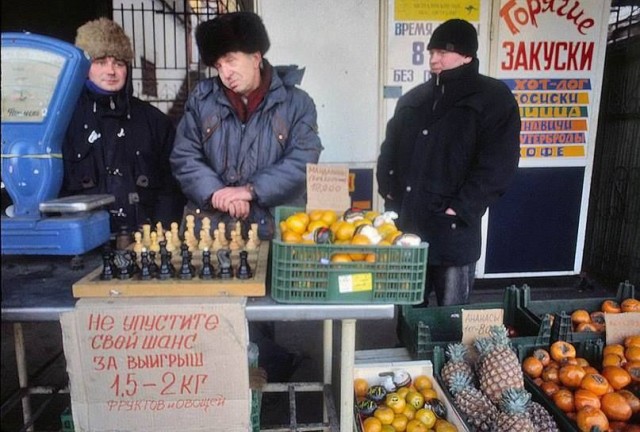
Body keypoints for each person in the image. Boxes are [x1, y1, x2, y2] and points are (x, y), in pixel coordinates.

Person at [170, 12, 323, 381]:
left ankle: (266, 381)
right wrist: (217, 193)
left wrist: (251, 191)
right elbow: (184, 155)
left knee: (262, 315)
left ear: (256, 56)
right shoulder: (201, 99)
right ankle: (223, 384)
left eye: (231, 60)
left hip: (268, 228)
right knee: (211, 320)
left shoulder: (297, 103)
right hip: (211, 229)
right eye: (218, 64)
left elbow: (303, 159)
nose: (225, 72)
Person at [376, 18, 521, 306]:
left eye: (442, 52)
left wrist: (460, 208)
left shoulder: (493, 99)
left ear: (467, 55)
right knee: (407, 312)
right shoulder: (415, 99)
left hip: (454, 232)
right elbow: (389, 150)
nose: (434, 59)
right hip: (409, 230)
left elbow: (498, 164)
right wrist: (389, 191)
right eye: (432, 52)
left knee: (451, 317)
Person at [61, 18, 185, 235]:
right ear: (84, 67)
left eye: (119, 63)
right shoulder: (63, 121)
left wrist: (161, 232)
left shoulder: (154, 121)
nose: (111, 71)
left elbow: (172, 185)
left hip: (144, 241)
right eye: (101, 62)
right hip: (84, 244)